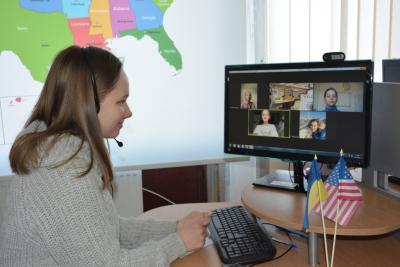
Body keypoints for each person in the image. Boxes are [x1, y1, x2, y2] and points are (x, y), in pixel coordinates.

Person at [0, 46, 210, 266]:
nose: (128, 112)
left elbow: (106, 229)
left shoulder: (63, 149)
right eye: (121, 101)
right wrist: (178, 243)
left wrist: (174, 229)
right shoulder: (63, 172)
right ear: (89, 103)